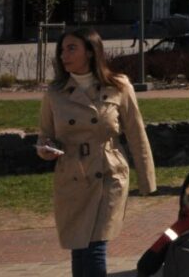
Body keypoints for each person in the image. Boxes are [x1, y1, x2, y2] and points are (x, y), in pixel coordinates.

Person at [37, 27, 156, 277]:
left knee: (95, 246)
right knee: (79, 246)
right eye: (61, 50)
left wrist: (146, 180)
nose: (64, 55)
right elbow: (45, 134)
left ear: (91, 52)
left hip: (108, 172)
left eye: (72, 48)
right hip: (72, 175)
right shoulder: (55, 92)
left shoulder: (118, 86)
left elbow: (136, 133)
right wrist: (45, 149)